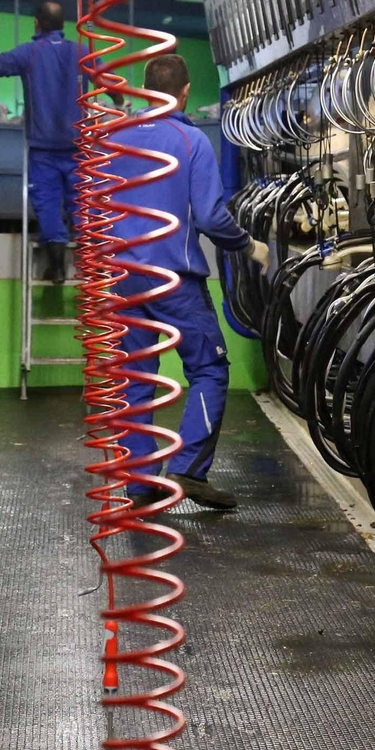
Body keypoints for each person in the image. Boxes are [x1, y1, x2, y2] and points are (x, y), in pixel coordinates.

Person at [102, 53, 268, 510]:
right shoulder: (192, 141)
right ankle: (189, 469)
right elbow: (213, 217)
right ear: (185, 91)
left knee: (136, 376)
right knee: (209, 368)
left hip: (123, 278)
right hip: (174, 280)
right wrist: (249, 245)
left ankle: (138, 483)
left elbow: (91, 209)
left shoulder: (115, 140)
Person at [0, 0, 100, 283]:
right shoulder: (81, 51)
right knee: (82, 203)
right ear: (63, 25)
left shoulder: (31, 52)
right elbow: (107, 78)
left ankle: (57, 267)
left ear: (37, 23)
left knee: (48, 204)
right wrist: (120, 103)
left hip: (43, 148)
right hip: (79, 146)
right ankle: (93, 268)